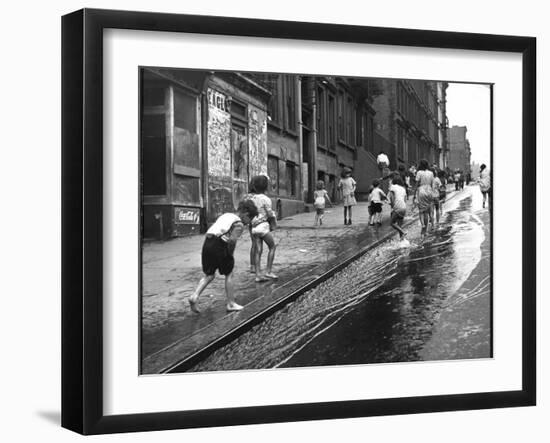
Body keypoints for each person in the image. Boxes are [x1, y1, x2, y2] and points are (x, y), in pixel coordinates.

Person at [188, 199, 258, 313]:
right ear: (245, 214)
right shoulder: (239, 224)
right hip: (219, 244)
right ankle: (231, 303)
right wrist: (230, 255)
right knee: (229, 273)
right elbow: (232, 241)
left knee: (209, 275)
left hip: (208, 242)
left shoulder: (227, 215)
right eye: (249, 219)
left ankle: (194, 296)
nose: (249, 222)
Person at [250, 175, 278, 282]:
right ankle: (269, 271)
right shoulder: (266, 199)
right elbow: (270, 213)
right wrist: (274, 224)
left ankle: (258, 275)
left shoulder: (251, 198)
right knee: (272, 246)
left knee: (258, 250)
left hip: (254, 228)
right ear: (266, 187)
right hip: (263, 227)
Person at [414, 159, 435, 239]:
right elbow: (432, 184)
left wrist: (414, 195)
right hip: (429, 190)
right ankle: (425, 231)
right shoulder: (431, 173)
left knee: (422, 211)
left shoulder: (419, 173)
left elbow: (416, 183)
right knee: (427, 211)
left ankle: (422, 225)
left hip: (422, 190)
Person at [388, 176, 408, 241]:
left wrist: (393, 206)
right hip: (404, 207)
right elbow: (405, 200)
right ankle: (402, 241)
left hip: (397, 206)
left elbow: (392, 198)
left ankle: (403, 232)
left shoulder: (392, 187)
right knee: (399, 225)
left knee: (392, 223)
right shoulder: (403, 189)